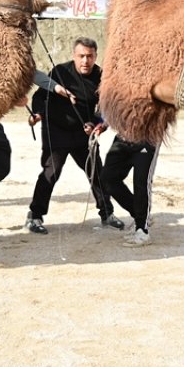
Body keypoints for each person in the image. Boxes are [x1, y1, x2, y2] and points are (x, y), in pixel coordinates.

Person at [24, 38, 123, 234]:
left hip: (82, 133)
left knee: (96, 171)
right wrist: (37, 115)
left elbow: (104, 108)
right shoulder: (60, 72)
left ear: (95, 56)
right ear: (74, 56)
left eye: (90, 56)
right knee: (51, 172)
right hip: (56, 131)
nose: (85, 61)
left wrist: (94, 124)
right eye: (81, 56)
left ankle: (107, 214)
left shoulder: (101, 77)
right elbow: (40, 97)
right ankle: (34, 216)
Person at [100, 137, 160, 247]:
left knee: (141, 183)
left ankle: (142, 230)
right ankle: (140, 216)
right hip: (123, 137)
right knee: (107, 178)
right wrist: (102, 126)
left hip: (147, 139)